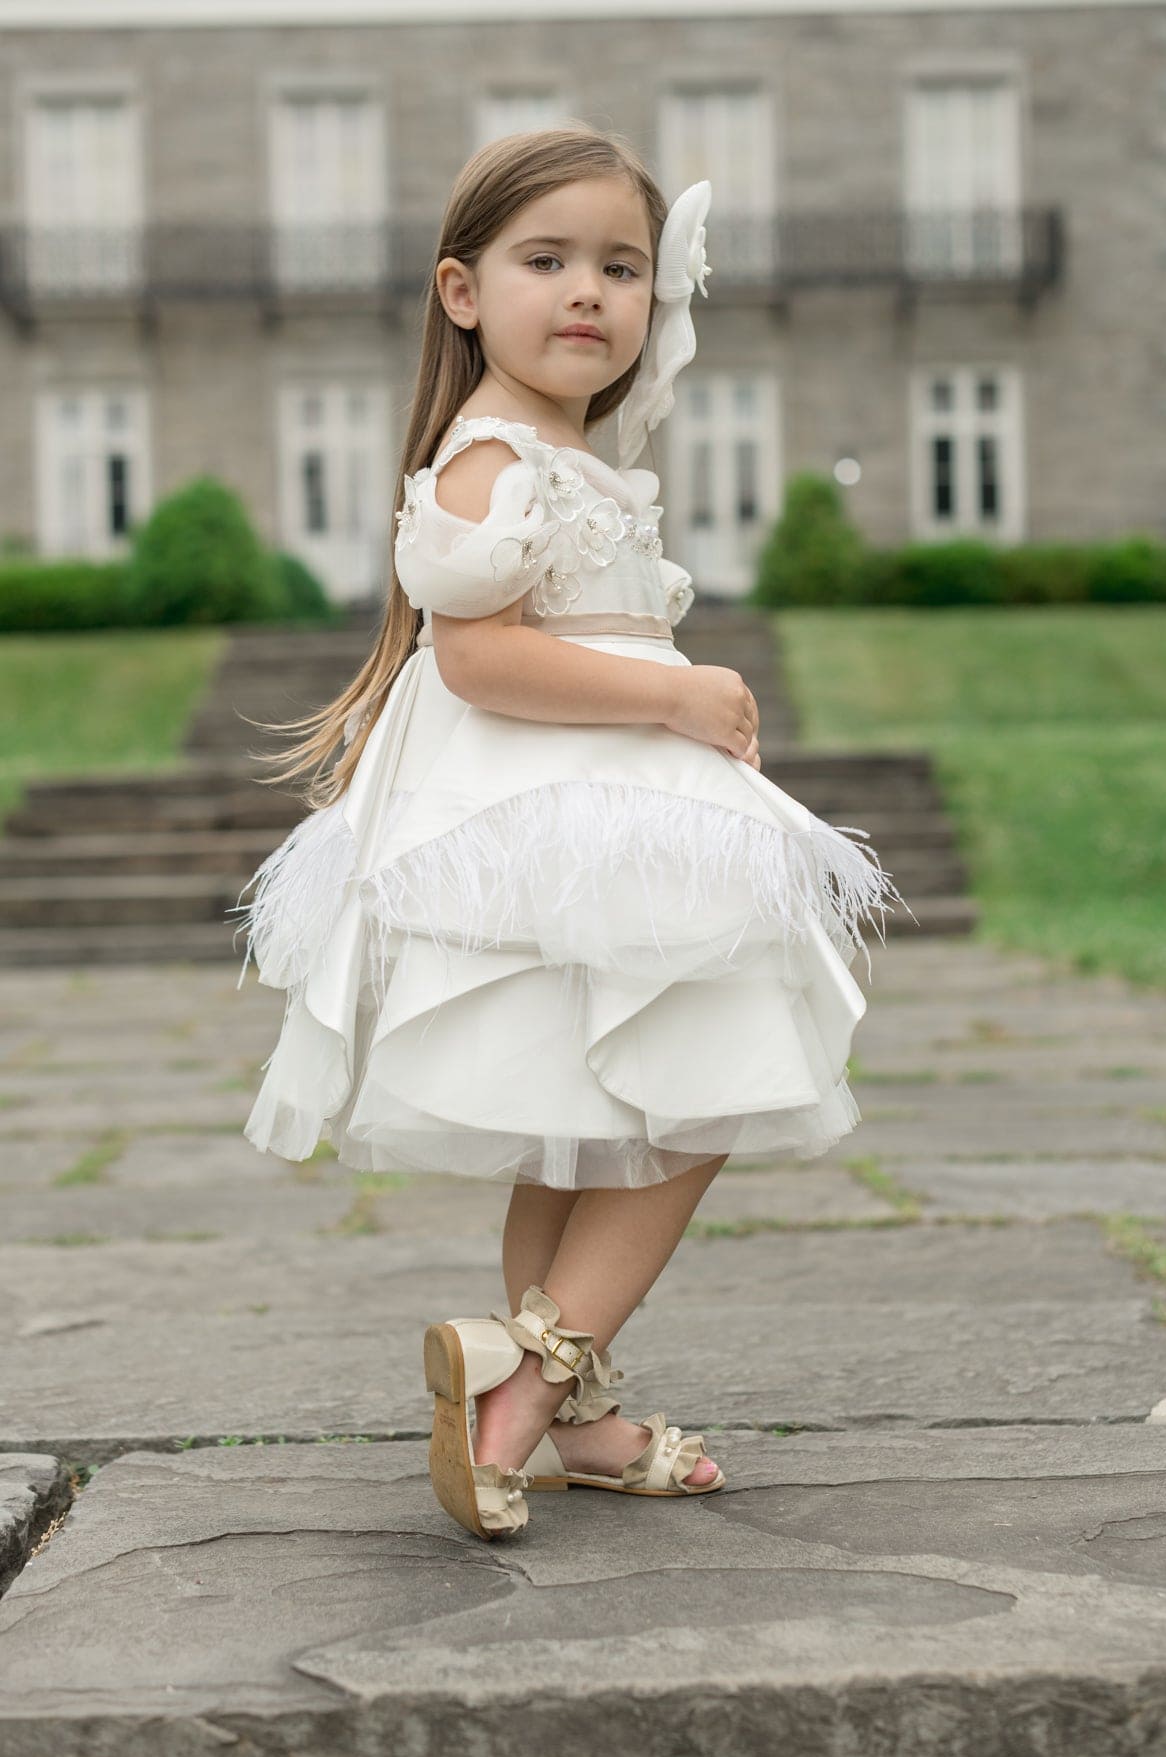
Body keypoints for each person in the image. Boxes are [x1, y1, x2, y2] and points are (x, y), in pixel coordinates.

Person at [230, 124, 907, 1542]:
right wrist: (679, 700)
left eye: (623, 266)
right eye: (547, 261)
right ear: (462, 291)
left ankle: (573, 1411)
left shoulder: (561, 445)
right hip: (556, 795)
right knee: (711, 1080)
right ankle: (521, 1394)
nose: (590, 292)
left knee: (582, 1125)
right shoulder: (490, 458)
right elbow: (479, 660)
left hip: (591, 805)